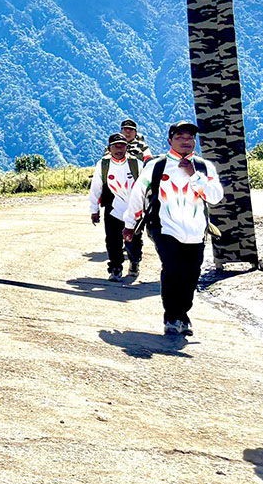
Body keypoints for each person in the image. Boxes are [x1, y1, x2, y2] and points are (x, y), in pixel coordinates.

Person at [121, 120, 223, 337]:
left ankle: (183, 315)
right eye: (180, 138)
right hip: (165, 229)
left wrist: (194, 175)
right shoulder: (157, 166)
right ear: (170, 141)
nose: (186, 142)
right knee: (172, 270)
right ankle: (172, 317)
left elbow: (215, 197)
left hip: (196, 232)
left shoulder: (204, 167)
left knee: (191, 274)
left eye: (190, 138)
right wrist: (129, 225)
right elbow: (138, 196)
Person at [88, 133, 144, 282]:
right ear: (109, 148)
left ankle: (134, 262)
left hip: (134, 210)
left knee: (133, 241)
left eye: (122, 145)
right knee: (112, 241)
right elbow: (96, 188)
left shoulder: (136, 164)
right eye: (115, 146)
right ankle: (115, 268)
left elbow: (146, 187)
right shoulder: (103, 164)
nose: (119, 149)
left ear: (127, 147)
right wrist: (94, 210)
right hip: (113, 209)